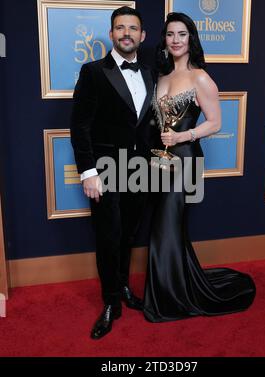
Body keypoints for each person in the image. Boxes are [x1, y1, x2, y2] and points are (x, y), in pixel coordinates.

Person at [143, 12, 256, 322]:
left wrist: (183, 135)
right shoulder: (161, 76)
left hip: (185, 160)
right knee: (169, 229)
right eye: (170, 34)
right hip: (158, 161)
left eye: (182, 34)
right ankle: (179, 288)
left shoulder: (201, 77)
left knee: (165, 229)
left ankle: (169, 299)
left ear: (191, 38)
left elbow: (217, 122)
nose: (176, 40)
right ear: (164, 40)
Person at [70, 6, 155, 339]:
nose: (126, 34)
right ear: (112, 34)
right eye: (120, 28)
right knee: (108, 236)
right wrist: (88, 172)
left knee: (130, 234)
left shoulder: (149, 73)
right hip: (104, 170)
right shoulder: (92, 72)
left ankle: (122, 288)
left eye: (132, 28)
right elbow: (80, 125)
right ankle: (109, 303)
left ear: (142, 35)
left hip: (141, 171)